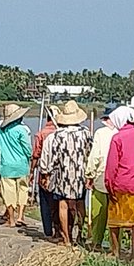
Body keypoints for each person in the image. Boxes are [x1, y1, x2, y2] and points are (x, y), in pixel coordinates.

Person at [104, 107, 134, 261]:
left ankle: (116, 252)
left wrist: (109, 185)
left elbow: (112, 166)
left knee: (115, 221)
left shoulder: (117, 138)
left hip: (121, 185)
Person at [42, 100, 91, 246]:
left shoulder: (55, 136)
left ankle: (67, 239)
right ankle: (80, 235)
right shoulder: (86, 134)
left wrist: (45, 173)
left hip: (61, 175)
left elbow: (48, 157)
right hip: (80, 174)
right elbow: (90, 153)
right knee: (80, 203)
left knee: (62, 205)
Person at [0, 103, 32, 228]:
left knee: (9, 192)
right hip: (22, 165)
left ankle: (11, 220)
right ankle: (21, 216)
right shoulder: (21, 130)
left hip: (6, 166)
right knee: (23, 190)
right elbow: (28, 150)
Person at [84, 105, 120, 250]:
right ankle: (115, 246)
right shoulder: (121, 133)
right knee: (116, 215)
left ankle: (97, 241)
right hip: (118, 178)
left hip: (101, 177)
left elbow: (95, 156)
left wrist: (89, 175)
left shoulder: (100, 133)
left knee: (98, 213)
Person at [29, 106, 60, 238]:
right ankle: (59, 230)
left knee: (45, 202)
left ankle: (48, 230)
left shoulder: (41, 133)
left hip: (44, 172)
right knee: (58, 202)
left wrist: (31, 171)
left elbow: (36, 155)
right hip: (59, 173)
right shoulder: (60, 132)